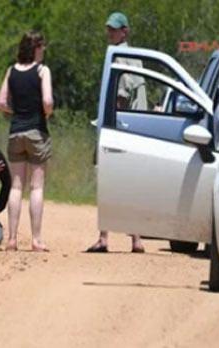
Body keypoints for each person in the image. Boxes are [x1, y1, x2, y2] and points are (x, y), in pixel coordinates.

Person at [86, 12, 146, 253]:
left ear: (125, 31)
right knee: (132, 184)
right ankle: (136, 239)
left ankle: (104, 238)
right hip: (136, 127)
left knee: (107, 180)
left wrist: (108, 130)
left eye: (115, 29)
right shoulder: (135, 56)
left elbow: (120, 97)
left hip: (121, 127)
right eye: (109, 29)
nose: (110, 33)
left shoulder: (120, 56)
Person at [0, 30, 54, 252]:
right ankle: (36, 240)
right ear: (36, 49)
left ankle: (11, 239)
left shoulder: (11, 71)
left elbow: (1, 102)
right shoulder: (42, 71)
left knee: (16, 186)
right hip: (36, 131)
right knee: (36, 186)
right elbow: (47, 100)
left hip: (16, 132)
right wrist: (45, 113)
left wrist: (15, 112)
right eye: (42, 47)